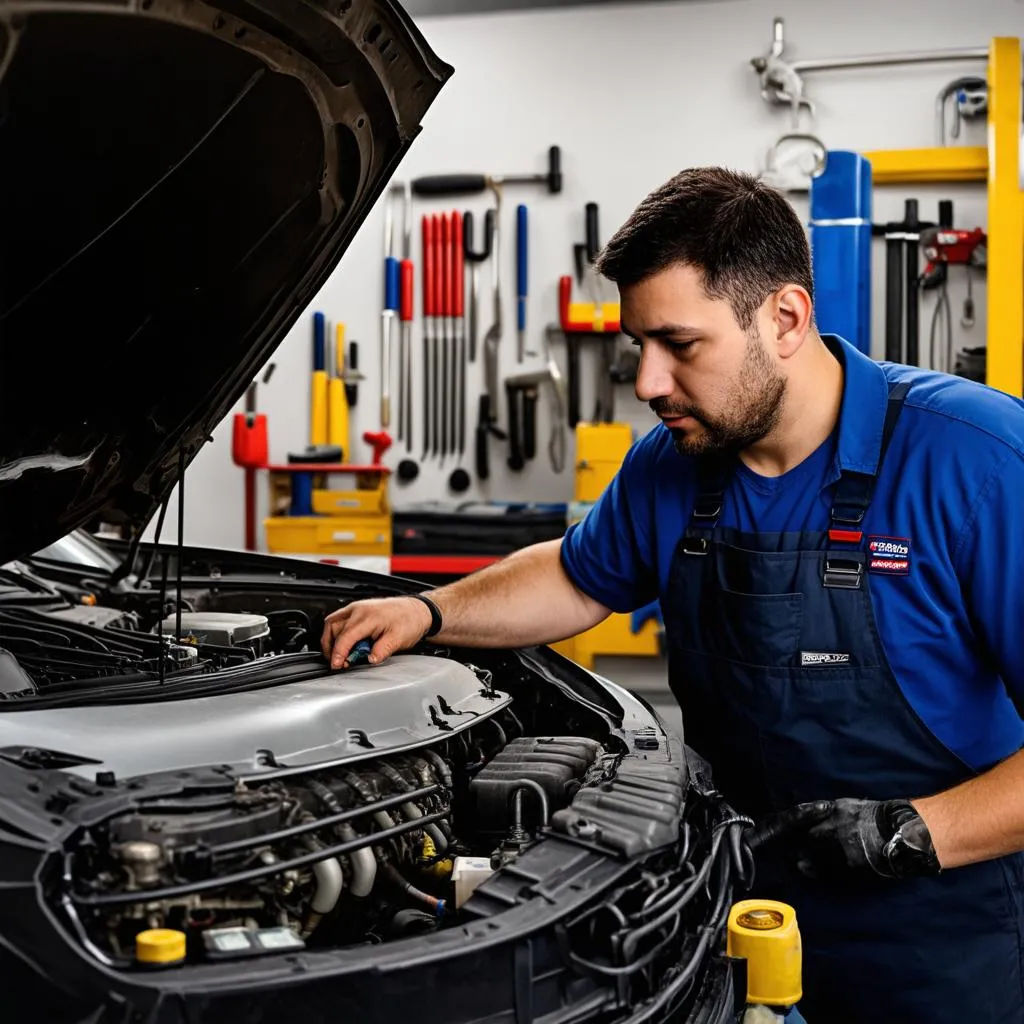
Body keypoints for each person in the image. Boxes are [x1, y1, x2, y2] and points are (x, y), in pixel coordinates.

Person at [322, 167, 1024, 1023]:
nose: (648, 382)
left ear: (786, 318)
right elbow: (580, 576)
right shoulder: (675, 463)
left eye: (679, 345)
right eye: (638, 348)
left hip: (937, 937)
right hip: (727, 906)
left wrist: (912, 834)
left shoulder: (977, 462)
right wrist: (431, 611)